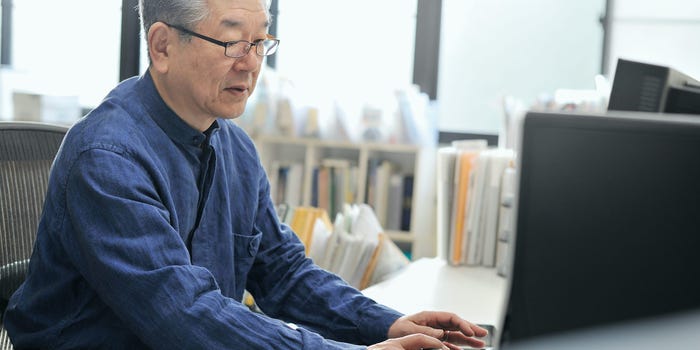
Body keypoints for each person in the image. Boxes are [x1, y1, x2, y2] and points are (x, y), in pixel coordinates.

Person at [3, 0, 488, 349]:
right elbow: (183, 315)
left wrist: (385, 326)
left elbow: (284, 274)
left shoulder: (233, 143)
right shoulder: (106, 157)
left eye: (260, 42)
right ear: (162, 45)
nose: (253, 63)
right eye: (233, 41)